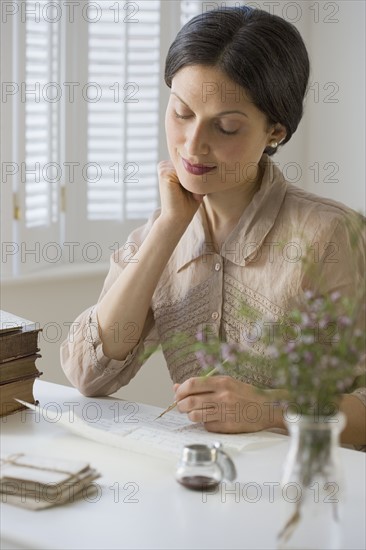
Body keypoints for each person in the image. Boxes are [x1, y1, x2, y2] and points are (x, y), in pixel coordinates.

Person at [60, 6, 366, 447]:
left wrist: (268, 407)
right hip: (197, 484)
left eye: (225, 127)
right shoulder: (159, 234)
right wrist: (169, 228)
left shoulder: (333, 237)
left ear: (275, 131)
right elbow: (89, 376)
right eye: (181, 113)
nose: (193, 144)